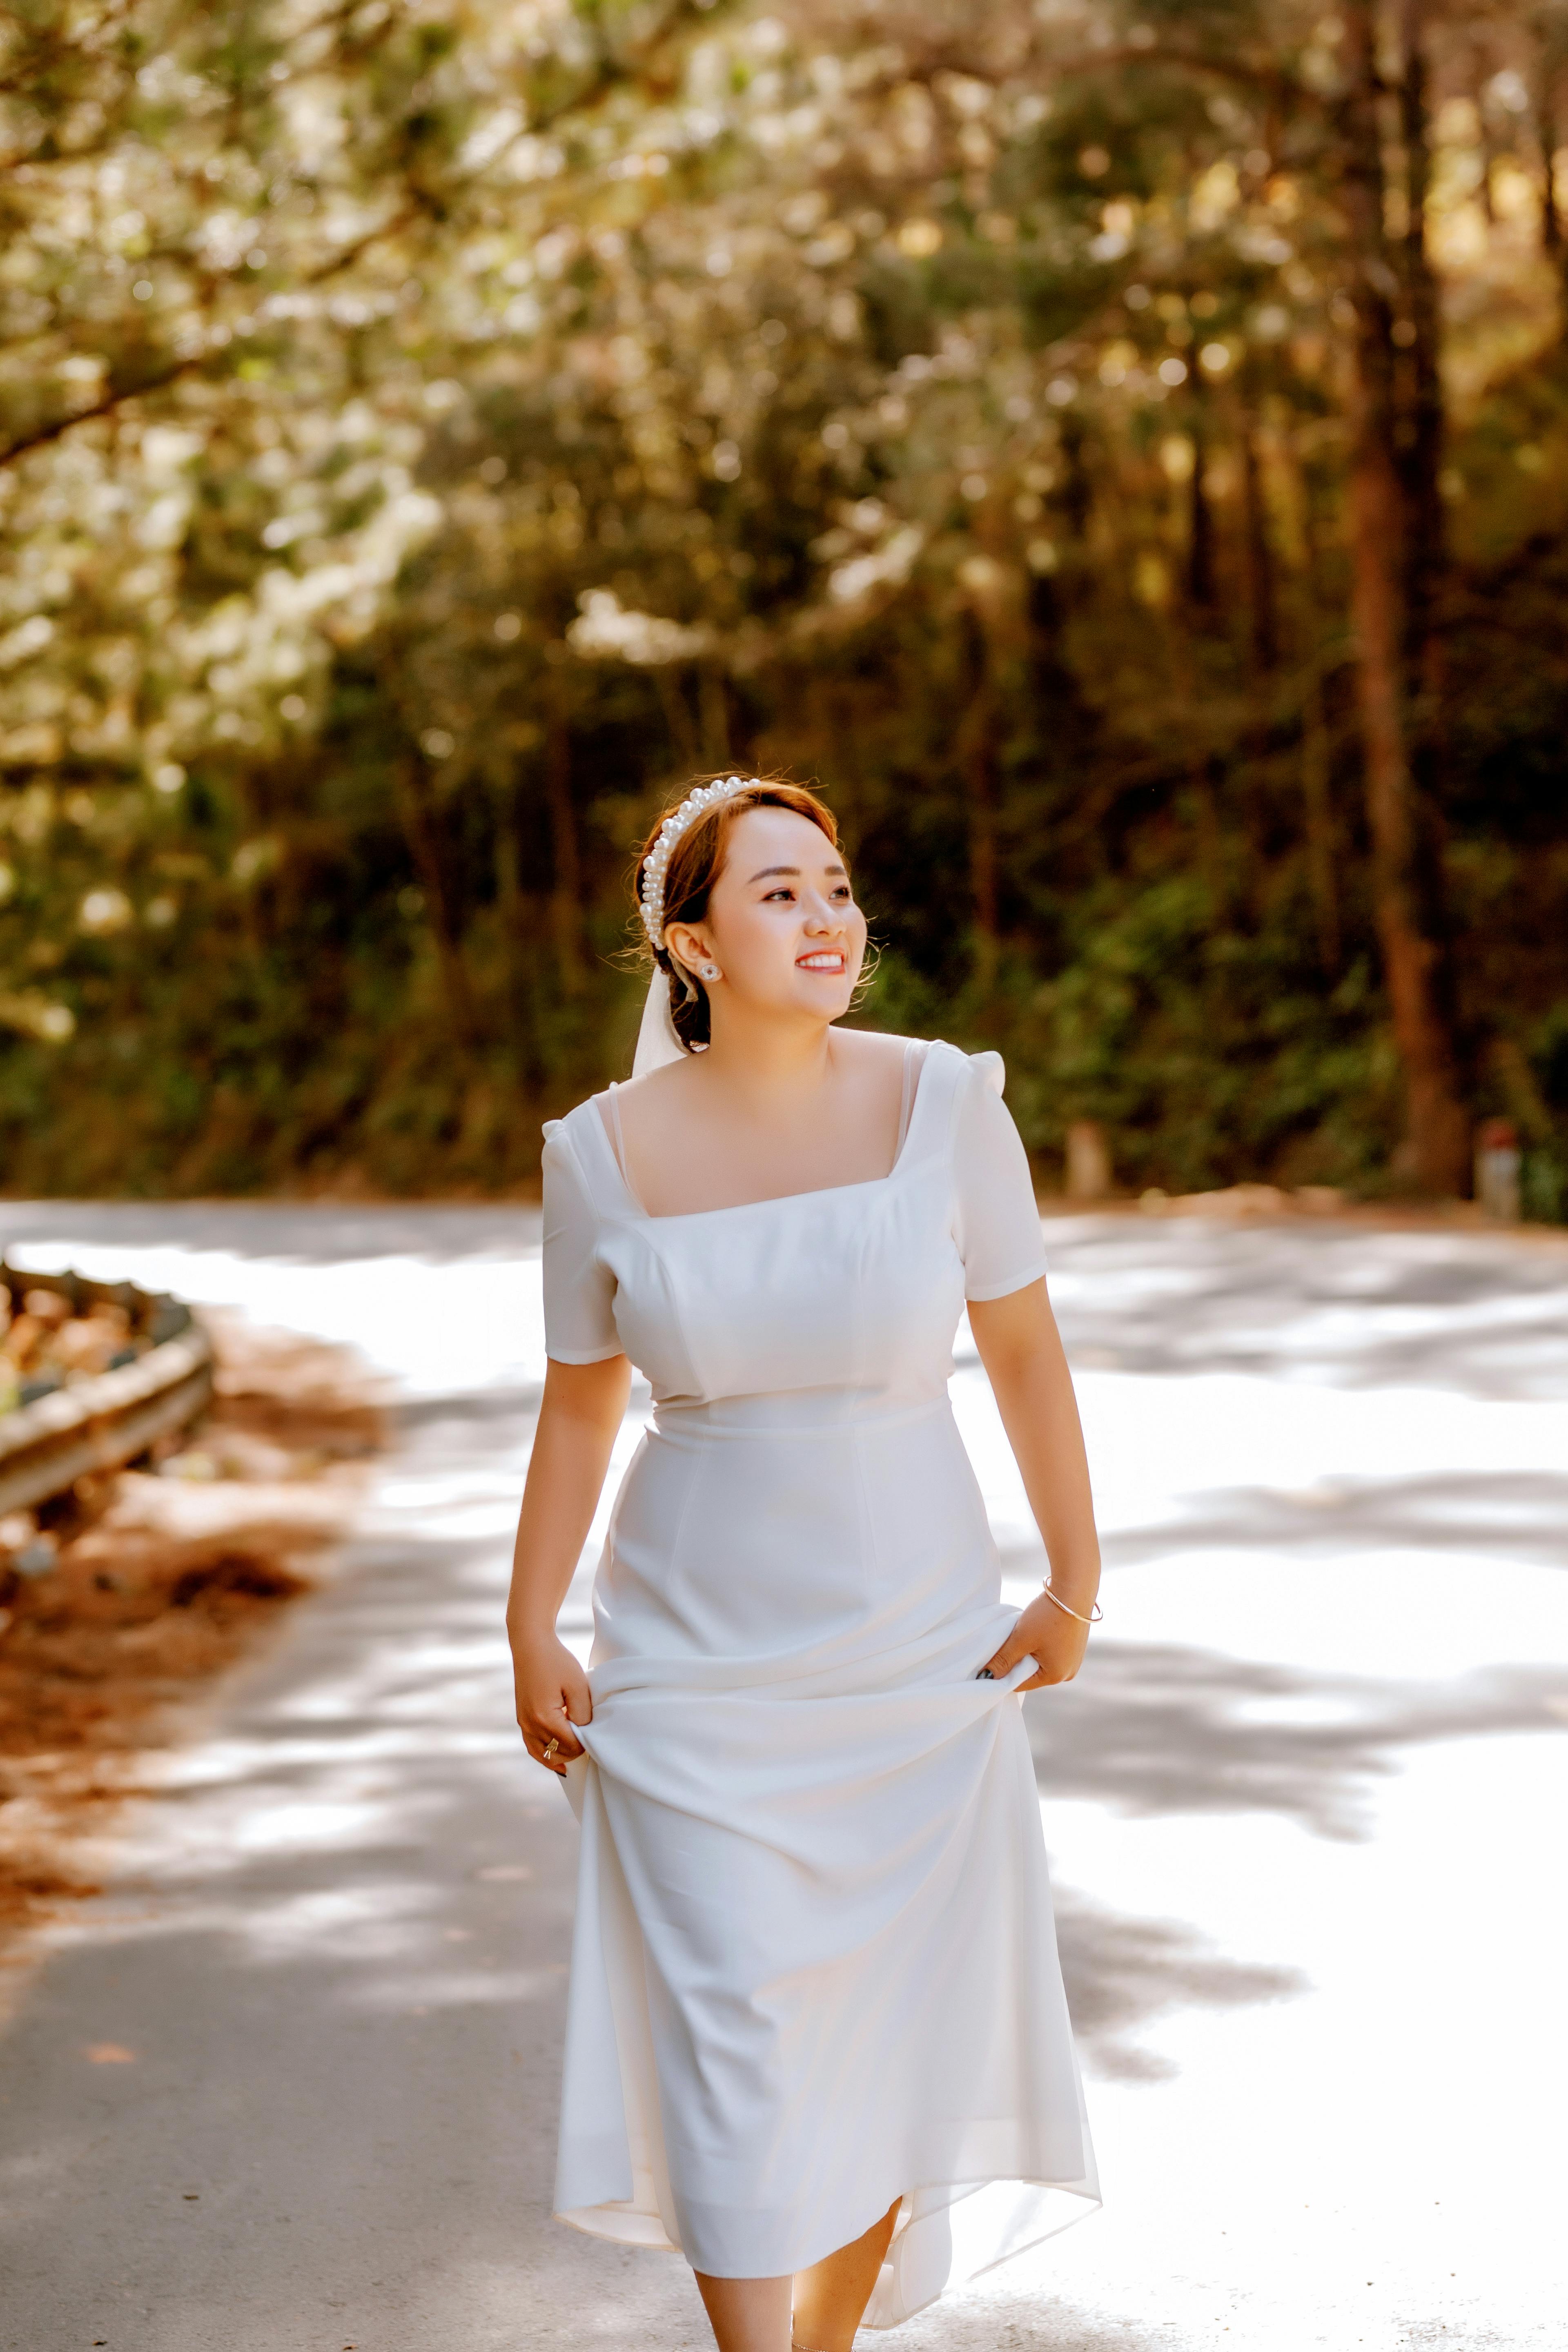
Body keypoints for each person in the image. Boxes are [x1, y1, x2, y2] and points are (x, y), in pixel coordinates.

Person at [506, 775, 1101, 2352]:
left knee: (892, 2042)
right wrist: (526, 1626)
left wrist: (1073, 1579)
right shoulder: (597, 1154)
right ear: (688, 946)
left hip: (915, 1644)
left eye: (835, 887)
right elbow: (578, 1416)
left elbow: (1030, 1355)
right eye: (777, 893)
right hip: (689, 1653)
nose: (826, 917)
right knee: (733, 2041)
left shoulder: (947, 1106)